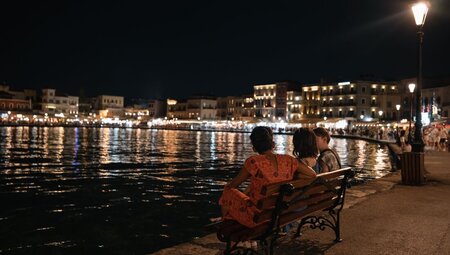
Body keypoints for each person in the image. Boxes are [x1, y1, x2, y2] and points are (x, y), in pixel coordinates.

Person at [219, 126, 316, 228]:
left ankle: (226, 224)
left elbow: (234, 185)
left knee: (227, 190)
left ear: (254, 148)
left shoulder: (253, 162)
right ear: (272, 144)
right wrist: (296, 175)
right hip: (278, 212)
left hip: (257, 216)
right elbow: (312, 174)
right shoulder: (289, 160)